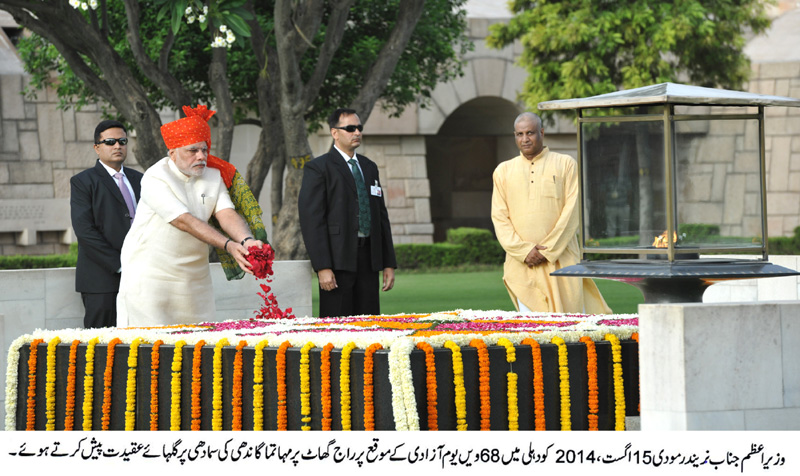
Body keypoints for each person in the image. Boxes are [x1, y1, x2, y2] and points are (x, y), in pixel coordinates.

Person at [117, 105, 265, 327]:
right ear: (173, 153)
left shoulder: (213, 176)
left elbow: (225, 212)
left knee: (199, 347)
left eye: (204, 150)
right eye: (192, 150)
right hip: (150, 276)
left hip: (194, 279)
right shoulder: (155, 177)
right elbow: (183, 220)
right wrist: (229, 245)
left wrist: (246, 240)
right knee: (151, 346)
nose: (201, 156)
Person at [491, 112, 611, 314]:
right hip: (523, 264)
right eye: (520, 134)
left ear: (542, 132)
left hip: (561, 259)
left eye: (530, 133)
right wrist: (524, 251)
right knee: (534, 331)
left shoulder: (565, 164)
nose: (525, 139)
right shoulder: (503, 171)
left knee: (571, 328)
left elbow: (573, 211)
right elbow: (499, 217)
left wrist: (547, 250)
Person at [298, 108, 397, 317]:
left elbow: (381, 217)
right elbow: (312, 222)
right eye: (350, 128)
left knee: (369, 327)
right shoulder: (318, 168)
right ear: (335, 133)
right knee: (337, 330)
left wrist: (388, 262)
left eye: (359, 128)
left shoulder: (369, 167)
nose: (357, 133)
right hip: (337, 262)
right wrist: (322, 267)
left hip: (369, 262)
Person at [70, 120, 143, 328]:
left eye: (122, 141)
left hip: (141, 275)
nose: (117, 146)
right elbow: (85, 231)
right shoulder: (83, 182)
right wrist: (120, 264)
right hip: (101, 279)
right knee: (100, 345)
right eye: (110, 142)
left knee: (140, 342)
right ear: (97, 147)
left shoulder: (140, 180)